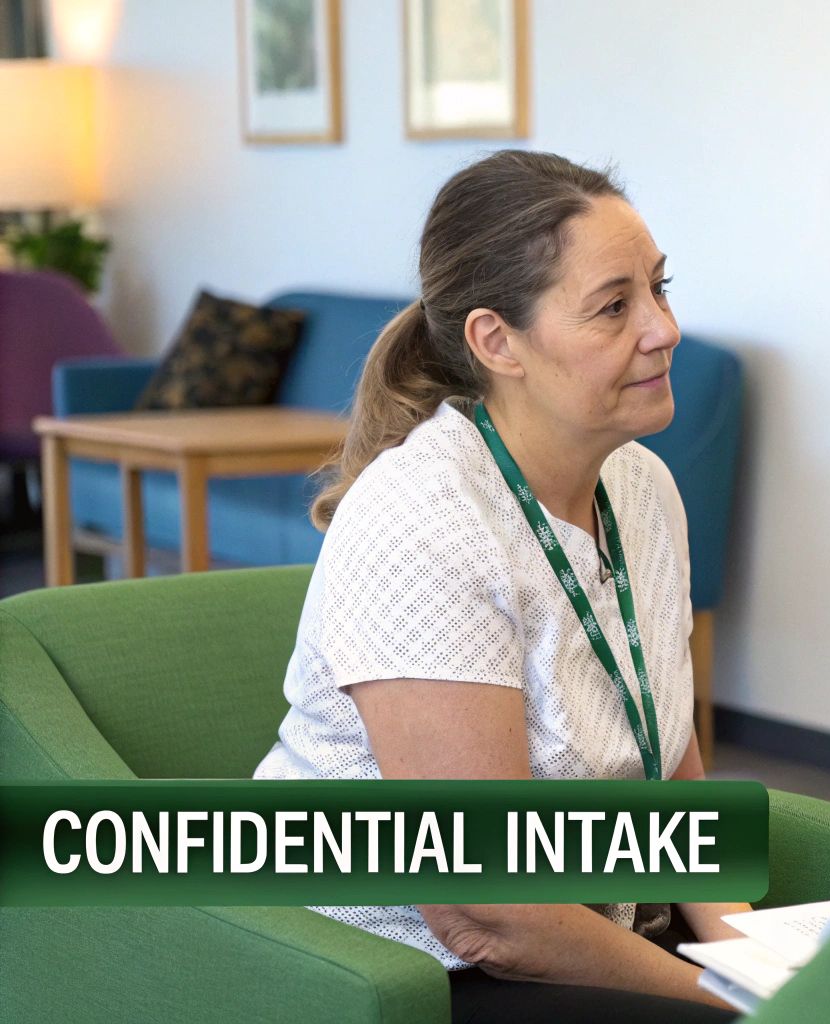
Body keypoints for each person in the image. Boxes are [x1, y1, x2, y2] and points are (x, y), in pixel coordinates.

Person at [253, 150, 743, 1022]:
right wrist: (732, 999)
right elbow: (487, 911)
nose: (663, 328)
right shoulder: (424, 518)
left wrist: (753, 965)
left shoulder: (642, 488)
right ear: (495, 341)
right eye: (614, 307)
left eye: (659, 290)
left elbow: (672, 773)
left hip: (592, 934)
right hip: (419, 965)